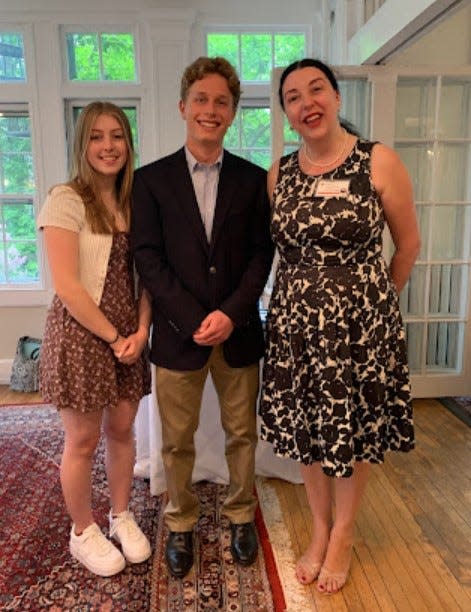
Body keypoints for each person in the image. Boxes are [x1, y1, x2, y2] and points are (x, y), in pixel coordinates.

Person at [259, 59, 420, 595]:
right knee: (308, 431)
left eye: (316, 89)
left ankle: (344, 532)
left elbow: (409, 244)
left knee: (349, 432)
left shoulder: (378, 162)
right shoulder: (278, 173)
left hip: (358, 332)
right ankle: (320, 526)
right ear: (286, 113)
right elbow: (282, 249)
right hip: (296, 329)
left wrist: (372, 305)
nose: (307, 103)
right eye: (293, 97)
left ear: (336, 97)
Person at [131, 56, 273, 579]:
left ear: (232, 113)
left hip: (237, 335)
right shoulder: (150, 181)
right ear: (183, 106)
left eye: (221, 102)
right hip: (176, 334)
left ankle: (240, 515)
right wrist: (194, 317)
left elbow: (263, 254)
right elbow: (147, 257)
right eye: (202, 100)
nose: (210, 110)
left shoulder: (255, 180)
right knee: (175, 439)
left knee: (242, 433)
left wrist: (231, 315)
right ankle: (182, 522)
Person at [38, 101, 152, 577]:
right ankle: (82, 531)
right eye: (96, 136)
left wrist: (141, 331)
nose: (108, 146)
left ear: (129, 143)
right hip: (84, 334)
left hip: (129, 335)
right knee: (82, 439)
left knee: (122, 430)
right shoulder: (65, 199)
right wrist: (113, 336)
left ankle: (121, 514)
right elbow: (67, 285)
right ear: (82, 144)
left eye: (117, 136)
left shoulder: (137, 201)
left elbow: (149, 276)